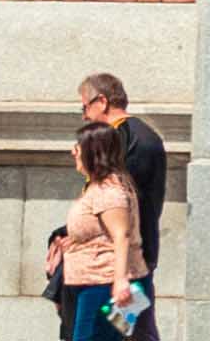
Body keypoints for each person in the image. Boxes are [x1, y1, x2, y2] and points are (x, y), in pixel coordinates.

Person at [53, 126, 148, 341]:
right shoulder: (101, 187)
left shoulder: (109, 191)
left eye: (78, 146)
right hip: (97, 283)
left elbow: (121, 236)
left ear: (92, 151)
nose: (73, 152)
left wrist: (120, 282)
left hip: (105, 286)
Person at [79, 73, 174, 274]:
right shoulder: (132, 134)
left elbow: (118, 201)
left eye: (85, 107)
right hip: (117, 255)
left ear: (102, 102)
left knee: (115, 306)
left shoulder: (126, 137)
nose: (84, 117)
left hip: (119, 262)